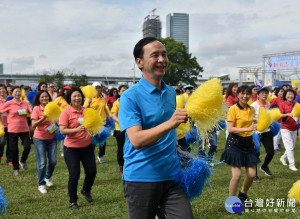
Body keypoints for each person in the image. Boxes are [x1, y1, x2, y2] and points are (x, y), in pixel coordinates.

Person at [119, 37, 193, 219]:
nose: (162, 59)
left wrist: (177, 149)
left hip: (172, 175)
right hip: (141, 178)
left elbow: (165, 131)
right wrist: (171, 123)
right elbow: (136, 140)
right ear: (140, 62)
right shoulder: (130, 97)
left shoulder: (170, 92)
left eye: (164, 55)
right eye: (155, 55)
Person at [220, 85, 260, 205]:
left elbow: (249, 124)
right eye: (242, 93)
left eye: (247, 94)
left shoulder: (251, 109)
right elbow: (231, 129)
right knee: (237, 175)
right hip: (234, 143)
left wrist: (250, 136)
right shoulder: (233, 109)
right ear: (237, 95)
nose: (245, 96)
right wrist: (249, 128)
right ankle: (232, 202)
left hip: (248, 143)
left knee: (252, 174)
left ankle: (242, 194)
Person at [59, 88, 97, 210]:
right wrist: (76, 130)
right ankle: (73, 201)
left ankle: (86, 190)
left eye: (79, 96)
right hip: (71, 149)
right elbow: (62, 130)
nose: (77, 98)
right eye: (74, 96)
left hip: (87, 147)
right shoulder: (66, 113)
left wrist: (94, 130)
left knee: (92, 172)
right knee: (74, 175)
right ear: (70, 98)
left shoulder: (87, 111)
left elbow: (93, 124)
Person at [0, 86, 32, 176]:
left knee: (27, 147)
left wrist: (32, 109)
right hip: (12, 129)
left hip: (24, 129)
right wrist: (2, 125)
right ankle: (16, 168)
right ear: (12, 93)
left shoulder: (25, 103)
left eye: (19, 92)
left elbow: (30, 111)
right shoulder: (9, 103)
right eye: (15, 92)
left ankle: (23, 160)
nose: (17, 93)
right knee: (14, 149)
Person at [31, 90, 57, 194]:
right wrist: (44, 117)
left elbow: (57, 121)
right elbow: (33, 125)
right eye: (42, 97)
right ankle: (41, 184)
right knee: (42, 163)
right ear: (39, 99)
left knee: (53, 161)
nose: (44, 98)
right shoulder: (36, 109)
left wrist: (56, 123)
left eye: (46, 97)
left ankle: (47, 177)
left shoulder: (53, 107)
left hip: (52, 137)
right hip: (40, 138)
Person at [251, 86, 274, 180]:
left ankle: (264, 166)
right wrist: (258, 119)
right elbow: (249, 117)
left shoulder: (268, 104)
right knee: (256, 153)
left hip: (267, 131)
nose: (264, 94)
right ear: (258, 95)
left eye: (266, 93)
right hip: (256, 132)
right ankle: (254, 175)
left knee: (271, 152)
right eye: (262, 93)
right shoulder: (254, 105)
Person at [84, 82, 110, 164]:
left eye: (99, 87)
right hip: (93, 123)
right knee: (93, 142)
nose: (98, 89)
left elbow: (105, 108)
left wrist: (109, 117)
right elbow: (84, 109)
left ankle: (101, 156)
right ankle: (90, 157)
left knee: (103, 141)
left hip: (102, 122)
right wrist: (88, 103)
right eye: (96, 88)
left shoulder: (103, 98)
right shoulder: (89, 98)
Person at [279, 89, 298, 171]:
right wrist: (288, 114)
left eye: (292, 94)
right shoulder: (282, 104)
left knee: (292, 146)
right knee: (290, 147)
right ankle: (292, 165)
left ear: (294, 95)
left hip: (294, 128)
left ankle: (283, 158)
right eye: (288, 94)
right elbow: (279, 115)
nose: (290, 96)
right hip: (285, 128)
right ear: (285, 96)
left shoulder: (297, 105)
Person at [111, 85, 128, 175]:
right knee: (121, 149)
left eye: (126, 90)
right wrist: (121, 122)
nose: (124, 92)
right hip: (119, 129)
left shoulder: (130, 102)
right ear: (119, 92)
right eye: (122, 90)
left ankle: (129, 165)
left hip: (130, 128)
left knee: (129, 147)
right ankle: (121, 166)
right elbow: (114, 115)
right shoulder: (116, 103)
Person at [55, 85, 71, 156]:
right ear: (63, 91)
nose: (66, 91)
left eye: (68, 90)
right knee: (62, 135)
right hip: (61, 119)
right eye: (65, 90)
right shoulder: (59, 98)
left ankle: (67, 148)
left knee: (68, 135)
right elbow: (53, 107)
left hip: (70, 118)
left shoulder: (70, 99)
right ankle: (62, 151)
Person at [0, 84, 12, 166]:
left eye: (3, 89)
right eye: (0, 89)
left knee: (11, 143)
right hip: (1, 124)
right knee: (2, 141)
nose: (2, 90)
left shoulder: (10, 99)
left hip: (11, 124)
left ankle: (9, 159)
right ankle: (0, 155)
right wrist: (1, 125)